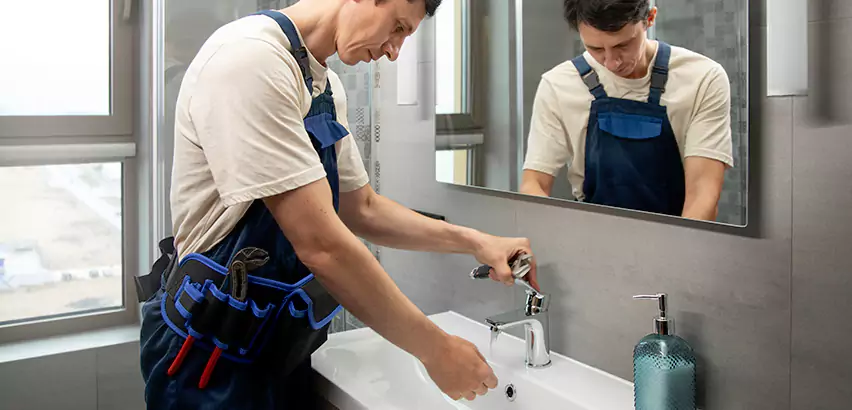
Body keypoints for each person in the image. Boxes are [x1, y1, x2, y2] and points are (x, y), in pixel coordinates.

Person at [134, 0, 540, 408]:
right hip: (207, 355)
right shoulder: (250, 61)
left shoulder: (321, 84)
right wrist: (434, 349)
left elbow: (361, 207)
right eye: (397, 27)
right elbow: (322, 245)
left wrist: (475, 241)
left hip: (278, 347)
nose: (394, 51)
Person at [520, 0, 734, 221]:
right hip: (589, 236)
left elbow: (703, 196)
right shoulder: (558, 85)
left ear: (649, 18)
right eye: (595, 49)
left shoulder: (703, 78)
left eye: (622, 45)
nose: (612, 63)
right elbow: (534, 184)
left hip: (678, 235)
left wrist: (678, 252)